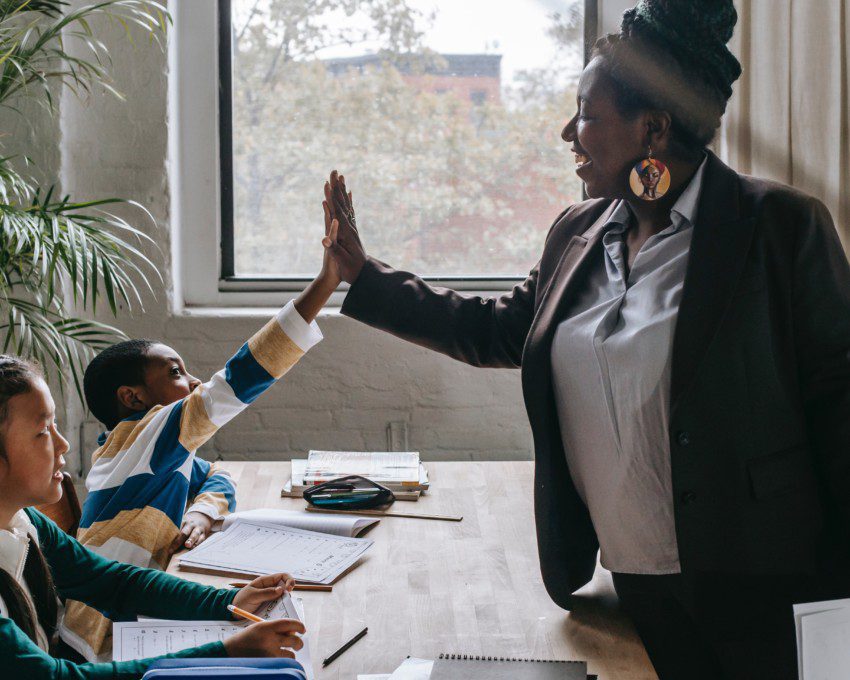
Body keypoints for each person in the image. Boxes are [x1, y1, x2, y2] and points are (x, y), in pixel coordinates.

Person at [320, 1, 850, 677]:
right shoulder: (578, 232)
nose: (568, 131)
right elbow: (502, 330)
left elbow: (841, 412)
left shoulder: (779, 228)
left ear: (651, 129)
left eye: (587, 113)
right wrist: (362, 277)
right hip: (626, 586)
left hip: (758, 592)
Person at [65, 215, 342, 660]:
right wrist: (326, 283)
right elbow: (237, 380)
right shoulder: (145, 434)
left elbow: (215, 473)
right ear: (132, 397)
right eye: (176, 372)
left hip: (131, 610)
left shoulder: (139, 450)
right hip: (102, 635)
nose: (193, 382)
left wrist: (201, 513)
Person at [0, 355, 307, 678]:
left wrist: (229, 600)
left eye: (56, 425)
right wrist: (225, 652)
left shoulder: (24, 521)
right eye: (42, 432)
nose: (63, 445)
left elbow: (114, 583)